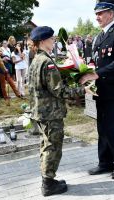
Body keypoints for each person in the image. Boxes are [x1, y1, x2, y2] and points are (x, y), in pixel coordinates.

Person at [79, 0, 114, 180]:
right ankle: (105, 163)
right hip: (101, 90)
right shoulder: (99, 37)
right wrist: (86, 72)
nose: (97, 17)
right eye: (96, 14)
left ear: (112, 14)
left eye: (101, 13)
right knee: (102, 128)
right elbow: (95, 62)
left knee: (110, 127)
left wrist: (96, 74)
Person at [28, 26, 69, 196]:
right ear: (43, 41)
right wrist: (84, 88)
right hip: (50, 112)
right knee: (53, 147)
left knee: (46, 146)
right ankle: (48, 184)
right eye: (52, 39)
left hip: (40, 112)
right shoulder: (46, 62)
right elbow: (59, 90)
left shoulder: (36, 59)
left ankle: (48, 179)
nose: (54, 41)